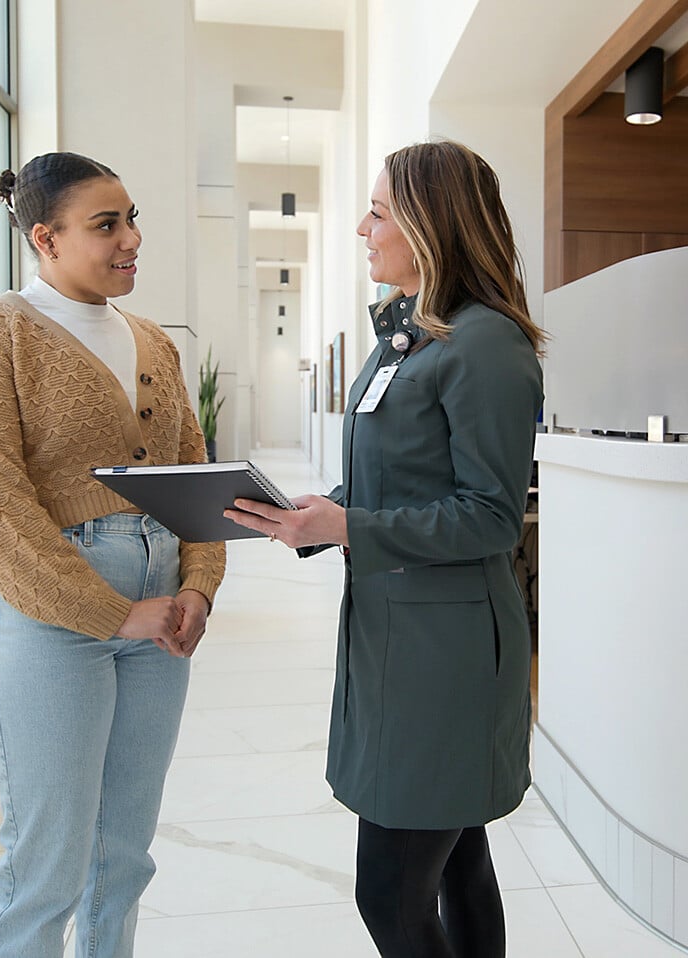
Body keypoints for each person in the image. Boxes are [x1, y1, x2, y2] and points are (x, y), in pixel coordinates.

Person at [224, 139, 545, 957]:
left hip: (447, 649)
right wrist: (322, 509)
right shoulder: (407, 338)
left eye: (378, 211)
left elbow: (490, 516)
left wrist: (349, 527)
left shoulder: (485, 345)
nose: (363, 228)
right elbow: (400, 480)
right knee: (460, 858)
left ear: (432, 224)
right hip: (395, 633)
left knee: (391, 891)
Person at [0, 152, 226, 958]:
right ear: (45, 238)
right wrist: (111, 611)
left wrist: (197, 586)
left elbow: (195, 477)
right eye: (106, 225)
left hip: (162, 620)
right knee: (47, 868)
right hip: (48, 620)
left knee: (123, 858)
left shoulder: (152, 340)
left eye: (133, 219)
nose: (131, 239)